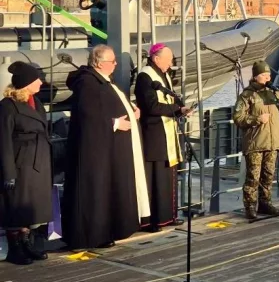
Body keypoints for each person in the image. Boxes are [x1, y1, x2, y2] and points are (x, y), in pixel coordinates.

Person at [62, 45, 150, 250]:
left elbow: (108, 105)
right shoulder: (87, 83)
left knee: (108, 191)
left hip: (110, 148)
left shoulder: (102, 80)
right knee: (96, 193)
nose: (116, 64)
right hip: (95, 152)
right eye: (112, 61)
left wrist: (131, 111)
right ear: (100, 63)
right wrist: (116, 124)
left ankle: (108, 230)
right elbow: (89, 115)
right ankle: (93, 235)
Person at [0, 62, 52, 266]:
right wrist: (8, 173)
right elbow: (3, 141)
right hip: (20, 163)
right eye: (36, 79)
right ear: (26, 83)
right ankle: (15, 248)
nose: (40, 81)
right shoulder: (7, 107)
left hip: (37, 161)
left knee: (31, 207)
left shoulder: (35, 102)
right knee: (16, 207)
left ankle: (26, 243)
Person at [134, 43, 190, 231]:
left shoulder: (163, 75)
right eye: (168, 60)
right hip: (155, 135)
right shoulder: (145, 77)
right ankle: (153, 220)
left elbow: (171, 99)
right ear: (156, 59)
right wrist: (176, 109)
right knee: (154, 179)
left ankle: (168, 216)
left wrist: (181, 109)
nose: (171, 63)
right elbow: (150, 106)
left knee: (168, 177)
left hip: (167, 133)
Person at [233, 60, 279, 219]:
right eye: (264, 75)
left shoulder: (274, 93)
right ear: (255, 77)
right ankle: (250, 206)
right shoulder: (247, 95)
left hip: (273, 142)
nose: (268, 78)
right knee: (253, 177)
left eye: (269, 75)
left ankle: (265, 203)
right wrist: (257, 119)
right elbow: (238, 118)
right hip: (256, 143)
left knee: (268, 176)